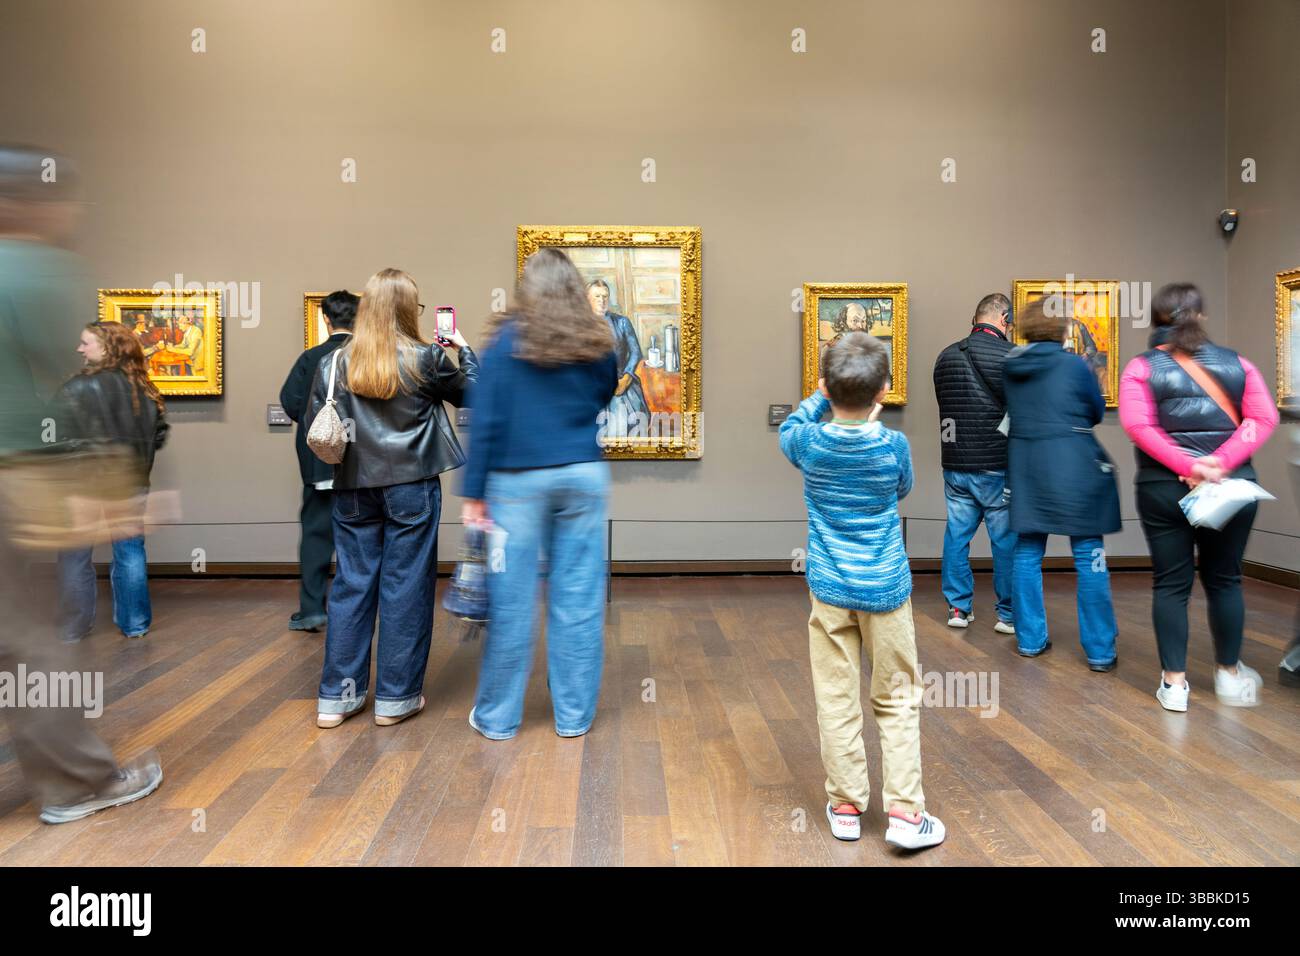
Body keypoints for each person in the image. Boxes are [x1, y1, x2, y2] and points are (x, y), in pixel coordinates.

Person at [0, 142, 161, 823]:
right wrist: (106, 488)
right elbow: (57, 393)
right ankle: (76, 782)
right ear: (30, 202)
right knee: (34, 639)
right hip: (17, 477)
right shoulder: (34, 267)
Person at [779, 332, 945, 850]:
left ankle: (846, 804)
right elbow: (902, 489)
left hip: (829, 586)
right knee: (897, 697)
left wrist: (820, 394)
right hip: (886, 587)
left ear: (826, 387)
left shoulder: (808, 443)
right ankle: (904, 812)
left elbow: (789, 427)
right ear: (885, 390)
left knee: (835, 694)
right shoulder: (893, 445)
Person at [306, 268, 476, 728]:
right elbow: (478, 396)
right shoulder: (426, 359)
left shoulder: (333, 363)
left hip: (352, 487)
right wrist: (463, 350)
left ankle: (337, 701)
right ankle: (394, 700)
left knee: (351, 587)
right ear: (408, 311)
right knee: (405, 588)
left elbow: (314, 425)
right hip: (411, 487)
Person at [461, 248, 619, 740]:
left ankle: (498, 718)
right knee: (579, 601)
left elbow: (484, 418)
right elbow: (604, 393)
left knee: (512, 603)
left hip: (517, 483)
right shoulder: (597, 338)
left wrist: (473, 493)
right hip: (583, 478)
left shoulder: (506, 340)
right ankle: (573, 718)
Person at [1118, 282, 1278, 710]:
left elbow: (1139, 427)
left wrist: (1190, 467)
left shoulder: (1140, 368)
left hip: (1162, 488)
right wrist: (1220, 464)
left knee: (1171, 584)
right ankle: (1228, 675)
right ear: (1202, 318)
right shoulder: (1239, 364)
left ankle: (1174, 685)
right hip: (1230, 488)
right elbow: (1262, 418)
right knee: (1225, 579)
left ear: (1157, 321)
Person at [1003, 299, 1120, 667]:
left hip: (1026, 467)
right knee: (1090, 556)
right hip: (1075, 466)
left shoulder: (1011, 367)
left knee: (1026, 553)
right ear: (1061, 329)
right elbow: (1096, 411)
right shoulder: (1074, 365)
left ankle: (1030, 639)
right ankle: (1100, 651)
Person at [56, 321, 169, 641]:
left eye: (85, 343)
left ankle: (72, 629)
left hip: (82, 485)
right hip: (131, 482)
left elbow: (50, 435)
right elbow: (158, 436)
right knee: (130, 552)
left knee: (74, 556)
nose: (79, 349)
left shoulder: (76, 387)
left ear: (107, 347)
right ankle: (135, 625)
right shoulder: (146, 389)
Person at [932, 292, 1016, 633]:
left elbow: (946, 405)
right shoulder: (1012, 357)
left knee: (956, 536)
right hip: (997, 463)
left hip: (955, 463)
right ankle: (1007, 615)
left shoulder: (945, 356)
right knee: (1005, 541)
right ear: (1002, 320)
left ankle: (957, 608)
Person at [278, 290, 357, 632]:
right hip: (361, 463)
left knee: (315, 533)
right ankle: (356, 610)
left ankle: (312, 609)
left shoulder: (312, 357)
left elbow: (291, 402)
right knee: (360, 537)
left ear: (326, 319)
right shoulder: (368, 356)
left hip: (320, 460)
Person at [585, 278, 648, 437]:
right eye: (597, 297)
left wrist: (626, 379)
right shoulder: (580, 326)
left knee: (625, 426)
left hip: (620, 383)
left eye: (605, 296)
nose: (602, 301)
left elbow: (635, 352)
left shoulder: (622, 322)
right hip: (591, 385)